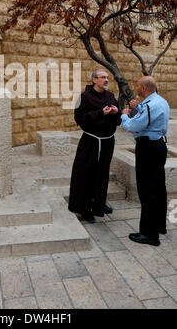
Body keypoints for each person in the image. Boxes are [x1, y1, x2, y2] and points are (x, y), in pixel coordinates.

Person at [121, 76, 170, 246]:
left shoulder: (151, 105)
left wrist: (125, 116)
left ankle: (149, 234)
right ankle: (159, 225)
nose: (136, 88)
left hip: (148, 149)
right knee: (158, 186)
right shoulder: (160, 101)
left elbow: (132, 126)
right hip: (158, 146)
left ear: (143, 88)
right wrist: (138, 107)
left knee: (147, 189)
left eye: (137, 85)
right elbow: (150, 115)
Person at [68, 69, 121, 223]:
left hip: (107, 141)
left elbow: (118, 120)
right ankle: (84, 209)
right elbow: (78, 118)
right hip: (91, 141)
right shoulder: (84, 97)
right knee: (87, 174)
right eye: (103, 77)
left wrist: (116, 112)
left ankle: (99, 203)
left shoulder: (110, 96)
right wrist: (100, 113)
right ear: (94, 80)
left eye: (107, 77)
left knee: (102, 174)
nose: (106, 80)